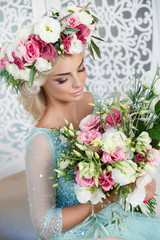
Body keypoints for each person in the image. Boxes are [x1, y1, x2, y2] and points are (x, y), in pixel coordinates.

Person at [0, 4, 160, 240]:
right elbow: (45, 226)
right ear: (40, 82)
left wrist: (138, 180)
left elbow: (117, 160)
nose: (78, 83)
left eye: (81, 68)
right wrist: (106, 201)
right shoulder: (41, 142)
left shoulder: (90, 101)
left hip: (117, 217)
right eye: (63, 79)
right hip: (81, 232)